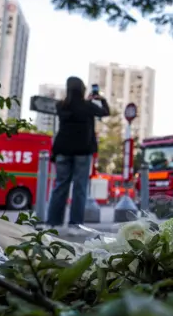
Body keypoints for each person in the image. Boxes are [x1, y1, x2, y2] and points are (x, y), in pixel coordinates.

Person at [47, 76, 110, 234]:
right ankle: (75, 225)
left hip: (62, 150)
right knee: (80, 188)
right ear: (82, 89)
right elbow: (106, 112)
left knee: (60, 186)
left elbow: (74, 108)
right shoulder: (88, 106)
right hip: (82, 151)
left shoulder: (60, 106)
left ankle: (52, 223)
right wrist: (100, 99)